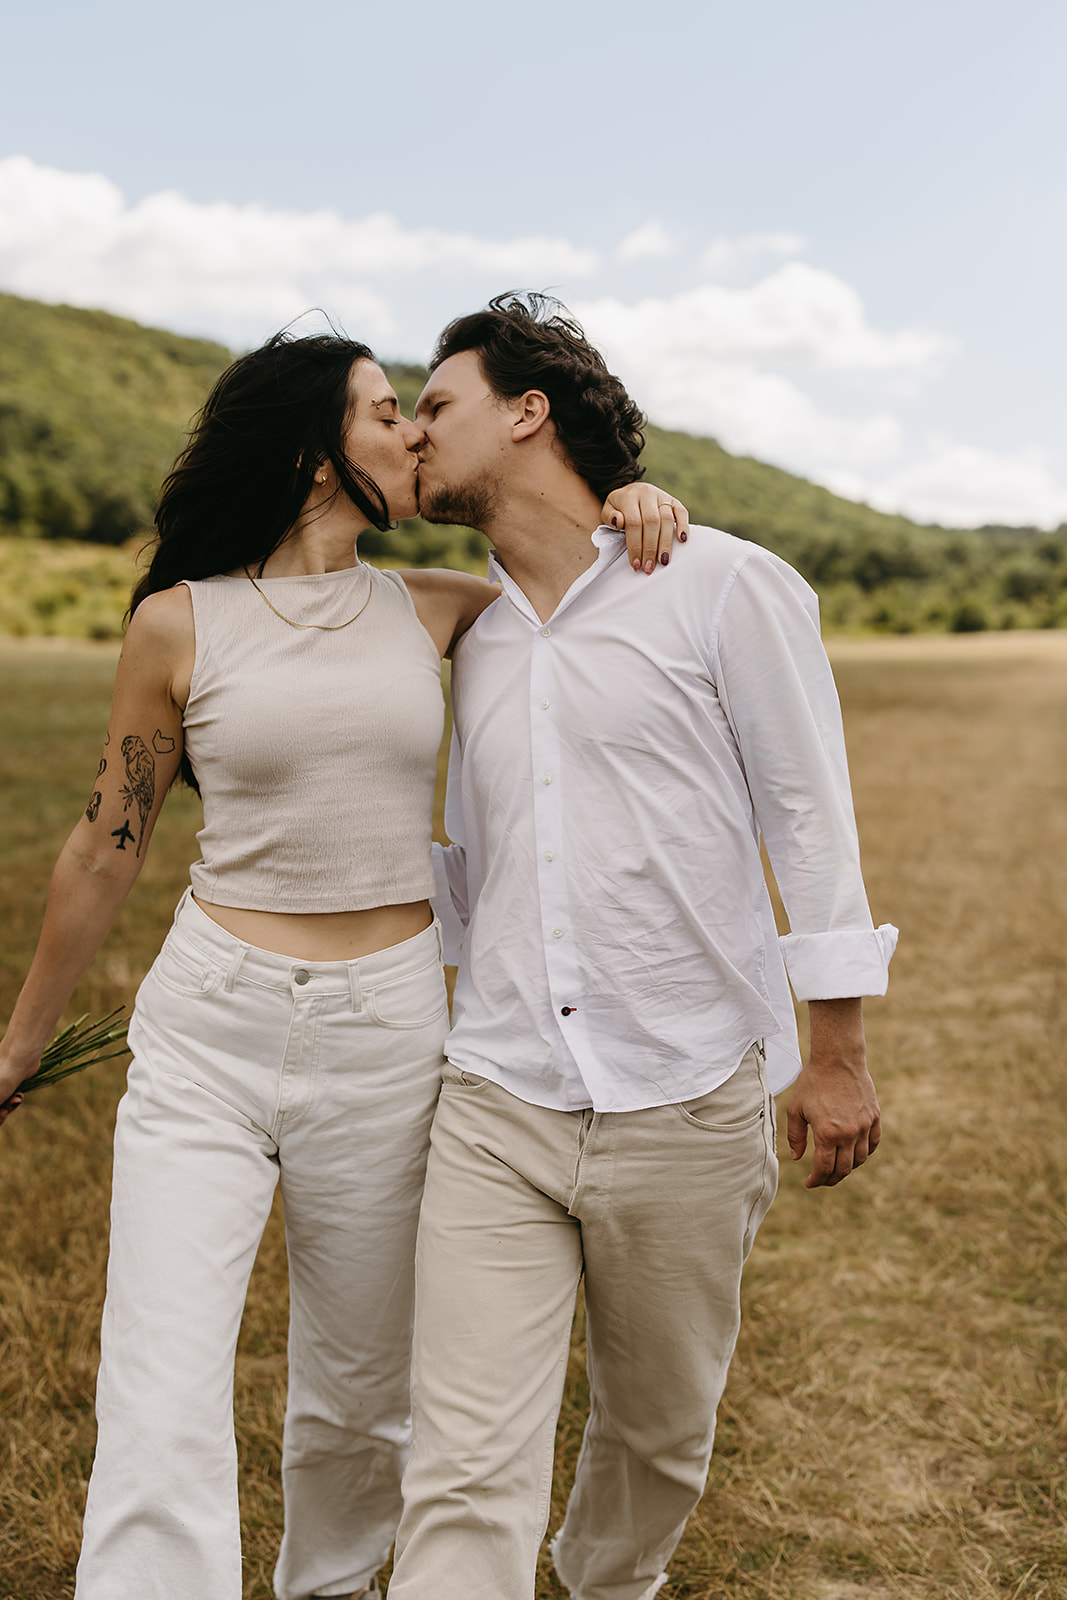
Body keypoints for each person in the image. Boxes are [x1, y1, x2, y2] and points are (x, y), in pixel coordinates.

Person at [0, 326, 684, 1600]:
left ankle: (327, 1585)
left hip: (384, 1035)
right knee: (159, 1379)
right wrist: (20, 1039)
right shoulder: (176, 623)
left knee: (360, 1394)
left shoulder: (439, 607)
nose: (412, 433)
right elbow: (108, 844)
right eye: (384, 414)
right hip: (209, 1028)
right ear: (320, 455)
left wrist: (627, 507)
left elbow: (582, 599)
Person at [385, 294, 899, 1600]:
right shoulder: (466, 632)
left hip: (684, 1091)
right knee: (459, 1463)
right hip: (497, 1096)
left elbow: (808, 818)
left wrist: (831, 1054)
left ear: (525, 408)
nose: (412, 434)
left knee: (656, 1437)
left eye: (432, 404)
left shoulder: (721, 583)